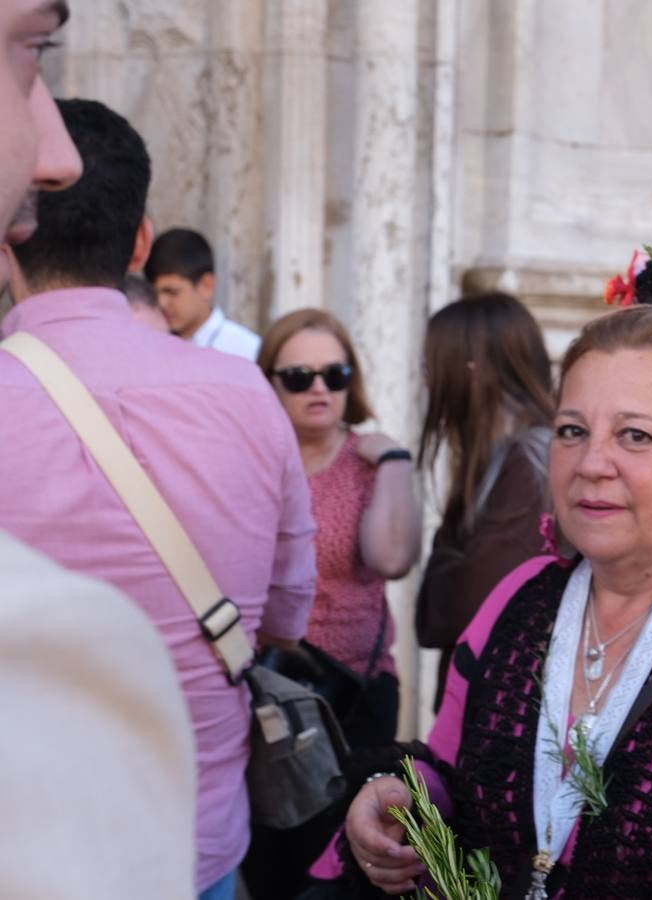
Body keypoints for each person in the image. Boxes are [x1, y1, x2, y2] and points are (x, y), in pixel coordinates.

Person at [313, 303, 652, 898]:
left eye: (635, 435)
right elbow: (450, 771)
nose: (592, 464)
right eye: (572, 431)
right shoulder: (521, 599)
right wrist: (400, 798)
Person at [0, 96, 317, 900]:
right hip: (194, 851)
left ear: (10, 239)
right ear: (141, 242)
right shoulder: (247, 394)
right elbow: (285, 619)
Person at [0, 2, 196, 897]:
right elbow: (284, 607)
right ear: (141, 243)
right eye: (28, 50)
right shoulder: (58, 648)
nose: (56, 158)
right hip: (209, 832)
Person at [242, 308, 422, 900]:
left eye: (333, 373)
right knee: (271, 861)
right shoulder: (249, 461)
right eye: (298, 376)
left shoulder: (370, 460)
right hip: (271, 696)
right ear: (269, 382)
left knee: (347, 866)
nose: (318, 387)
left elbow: (393, 558)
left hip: (355, 698)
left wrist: (395, 464)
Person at [414, 292, 555, 708]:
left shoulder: (528, 466)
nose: (427, 382)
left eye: (431, 367)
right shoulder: (498, 460)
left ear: (472, 373)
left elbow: (458, 610)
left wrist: (451, 552)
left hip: (505, 708)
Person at [145, 226, 262, 359]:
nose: (162, 303)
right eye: (154, 293)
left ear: (206, 285)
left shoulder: (246, 350)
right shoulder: (150, 344)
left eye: (172, 292)